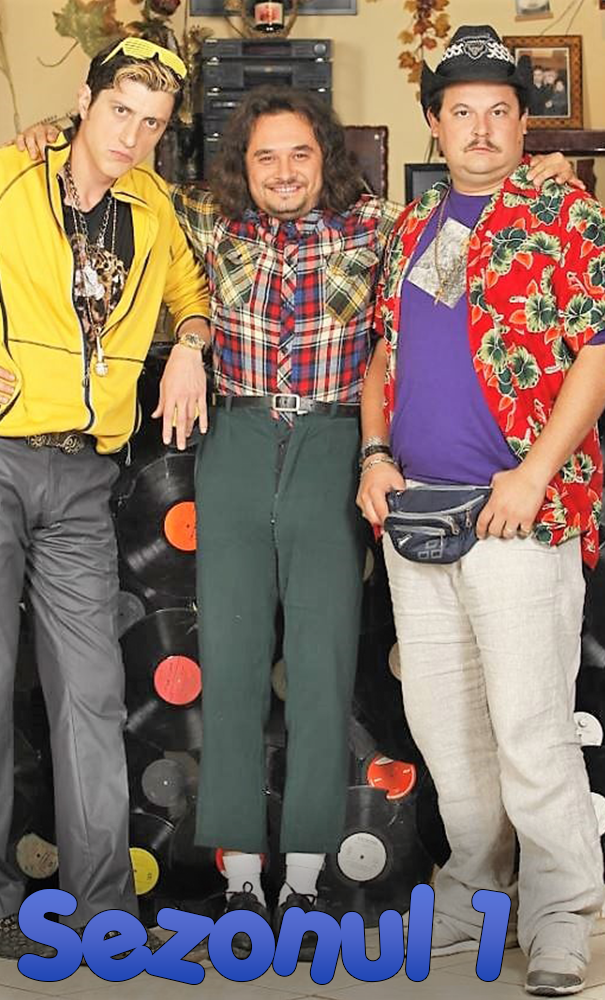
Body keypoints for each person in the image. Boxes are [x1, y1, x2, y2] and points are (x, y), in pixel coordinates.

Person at [18, 84, 577, 959]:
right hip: (237, 443)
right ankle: (243, 878)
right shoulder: (208, 222)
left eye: (300, 155)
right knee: (231, 661)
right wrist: (54, 131)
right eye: (265, 157)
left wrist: (544, 171)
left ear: (327, 159)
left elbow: (475, 201)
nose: (283, 172)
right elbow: (116, 167)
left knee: (321, 665)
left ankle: (306, 882)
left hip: (333, 445)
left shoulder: (382, 226)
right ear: (243, 167)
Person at [0, 37, 209, 960]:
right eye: (120, 111)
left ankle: (104, 910)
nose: (132, 135)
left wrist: (192, 342)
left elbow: (188, 287)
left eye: (152, 123)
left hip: (84, 476)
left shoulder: (152, 206)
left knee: (91, 691)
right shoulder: (0, 177)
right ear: (86, 102)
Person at [357, 24, 605, 996]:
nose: (480, 128)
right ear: (435, 122)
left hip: (517, 516)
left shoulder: (562, 213)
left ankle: (561, 917)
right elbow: (380, 355)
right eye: (461, 111)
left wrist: (534, 473)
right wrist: (374, 454)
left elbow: (595, 351)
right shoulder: (410, 228)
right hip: (419, 517)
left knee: (531, 732)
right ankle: (472, 892)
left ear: (521, 123)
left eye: (498, 111)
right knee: (446, 731)